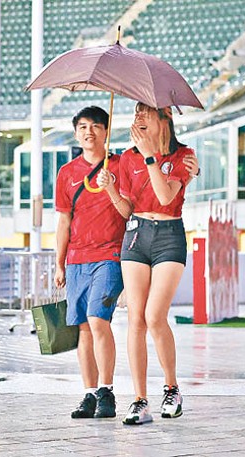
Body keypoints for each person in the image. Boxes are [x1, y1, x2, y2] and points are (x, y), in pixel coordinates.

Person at [97, 102, 200, 425]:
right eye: (136, 111)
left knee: (156, 316)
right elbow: (127, 210)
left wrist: (151, 156)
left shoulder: (184, 157)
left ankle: (171, 388)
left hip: (169, 234)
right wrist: (112, 188)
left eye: (145, 111)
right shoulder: (127, 158)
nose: (138, 116)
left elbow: (166, 196)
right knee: (136, 319)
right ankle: (139, 400)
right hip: (136, 235)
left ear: (164, 119)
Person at [54, 106, 126, 419]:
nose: (89, 132)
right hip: (76, 260)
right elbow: (63, 221)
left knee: (99, 321)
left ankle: (106, 391)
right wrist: (59, 263)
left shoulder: (122, 166)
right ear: (75, 133)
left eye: (96, 126)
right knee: (83, 328)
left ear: (106, 131)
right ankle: (89, 393)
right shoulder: (67, 173)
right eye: (83, 127)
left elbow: (127, 212)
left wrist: (111, 185)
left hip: (109, 255)